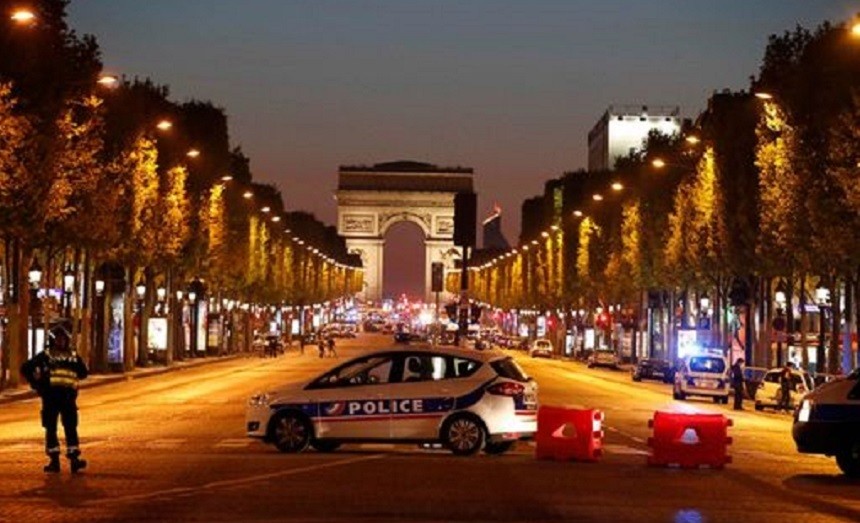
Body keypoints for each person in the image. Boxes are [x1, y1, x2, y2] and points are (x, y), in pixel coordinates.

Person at [20, 321, 89, 473]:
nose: (60, 341)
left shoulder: (72, 356)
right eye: (58, 338)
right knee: (51, 429)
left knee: (71, 428)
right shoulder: (45, 356)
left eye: (63, 338)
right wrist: (36, 383)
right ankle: (54, 461)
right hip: (50, 398)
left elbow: (84, 372)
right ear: (53, 340)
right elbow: (25, 368)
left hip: (68, 398)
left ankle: (74, 459)